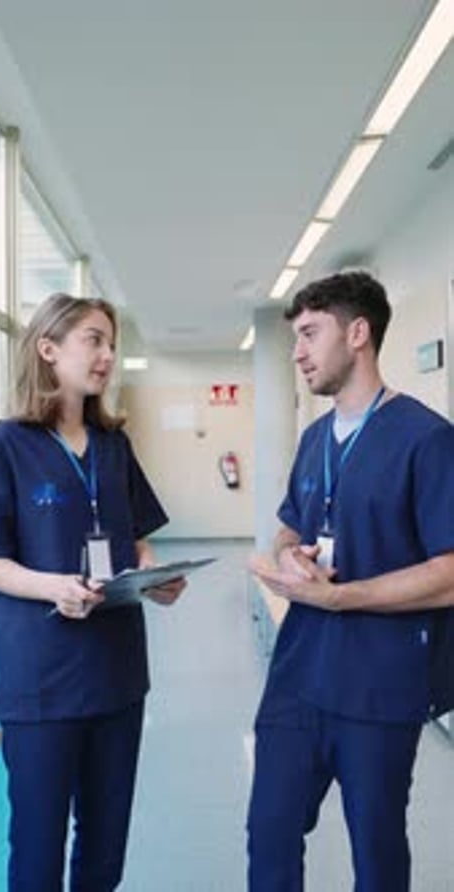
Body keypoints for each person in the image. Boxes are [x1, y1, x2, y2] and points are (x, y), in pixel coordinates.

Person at [0, 293, 185, 892]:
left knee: (105, 850)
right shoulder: (4, 447)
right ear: (48, 348)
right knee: (36, 851)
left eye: (112, 343)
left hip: (117, 677)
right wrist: (55, 586)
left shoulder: (113, 446)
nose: (107, 354)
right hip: (42, 683)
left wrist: (153, 574)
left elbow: (136, 540)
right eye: (93, 339)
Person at [248, 271, 454, 892]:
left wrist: (341, 596)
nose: (299, 352)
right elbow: (288, 528)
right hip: (297, 676)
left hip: (379, 686)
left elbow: (450, 573)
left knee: (377, 847)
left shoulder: (427, 439)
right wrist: (290, 560)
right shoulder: (314, 441)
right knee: (270, 835)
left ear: (358, 333)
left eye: (310, 334)